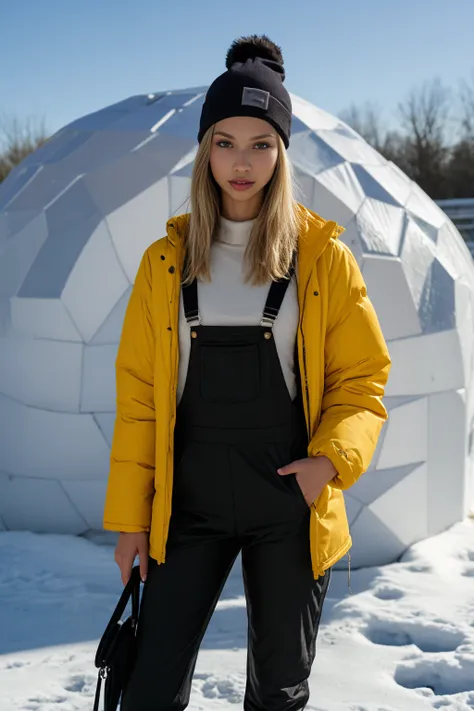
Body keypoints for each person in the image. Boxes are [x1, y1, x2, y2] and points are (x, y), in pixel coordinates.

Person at [103, 34, 391, 711]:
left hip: (287, 504)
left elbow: (362, 379)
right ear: (204, 148)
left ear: (282, 152)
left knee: (279, 691)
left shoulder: (323, 260)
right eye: (225, 141)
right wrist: (131, 519)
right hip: (188, 504)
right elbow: (141, 399)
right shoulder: (165, 263)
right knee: (146, 689)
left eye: (261, 143)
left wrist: (328, 464)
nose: (241, 161)